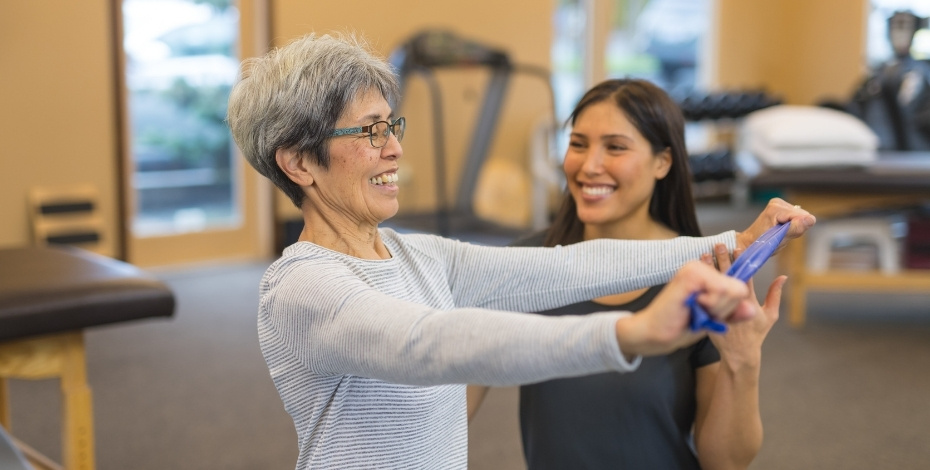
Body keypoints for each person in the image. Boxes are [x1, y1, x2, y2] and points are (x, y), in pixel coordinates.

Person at [225, 32, 815, 469]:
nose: (394, 150)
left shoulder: (419, 257)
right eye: (368, 132)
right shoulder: (304, 286)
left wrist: (729, 241)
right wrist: (631, 334)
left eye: (391, 126)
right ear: (299, 162)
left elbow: (569, 263)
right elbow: (430, 344)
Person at [467, 78, 783, 469]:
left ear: (662, 162)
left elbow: (726, 462)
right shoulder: (527, 263)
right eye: (578, 144)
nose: (589, 165)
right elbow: (447, 411)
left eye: (615, 147)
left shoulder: (702, 277)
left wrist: (743, 360)